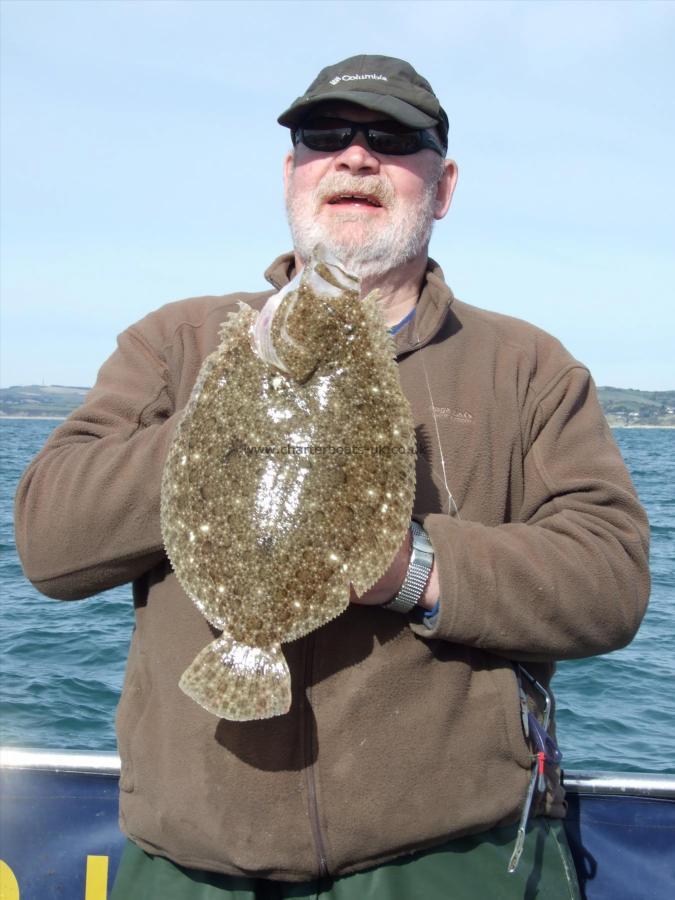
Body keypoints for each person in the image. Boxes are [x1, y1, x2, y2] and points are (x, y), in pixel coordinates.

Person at [15, 54, 649, 899]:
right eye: (325, 135)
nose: (355, 157)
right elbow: (48, 544)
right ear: (292, 174)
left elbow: (609, 582)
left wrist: (411, 570)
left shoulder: (525, 366)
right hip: (190, 864)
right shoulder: (178, 343)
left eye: (391, 139)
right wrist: (226, 420)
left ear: (444, 184)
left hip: (448, 857)